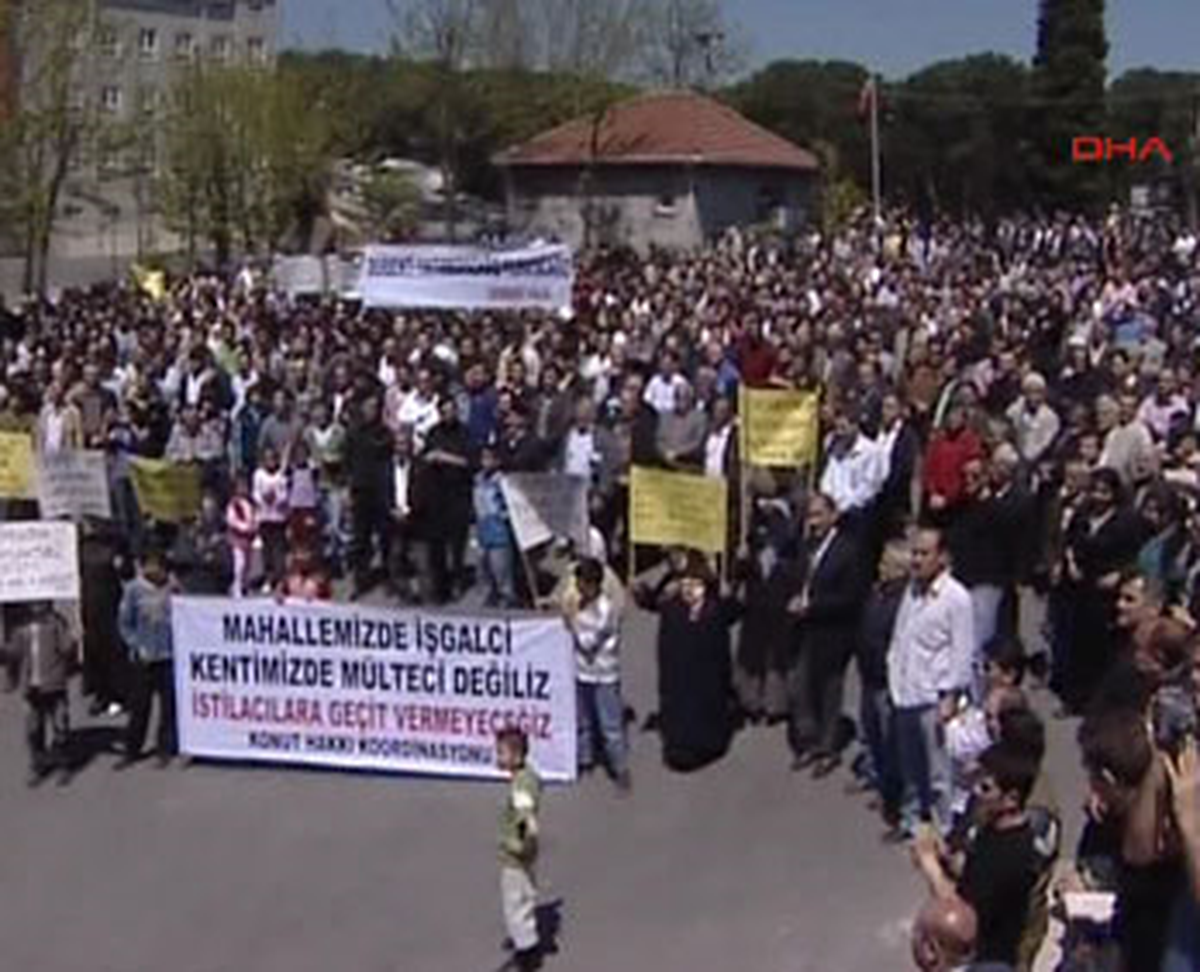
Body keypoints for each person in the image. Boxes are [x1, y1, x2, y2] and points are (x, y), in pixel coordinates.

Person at [912, 741, 1044, 969]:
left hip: (986, 960)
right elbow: (973, 877)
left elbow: (963, 919)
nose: (976, 792)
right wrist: (946, 858)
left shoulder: (1012, 854)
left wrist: (930, 866)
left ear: (1011, 799)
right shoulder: (993, 830)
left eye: (986, 788)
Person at [888, 527, 975, 835]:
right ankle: (913, 821)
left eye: (924, 553)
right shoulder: (911, 591)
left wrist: (950, 695)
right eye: (914, 552)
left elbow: (963, 651)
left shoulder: (956, 599)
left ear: (942, 557)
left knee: (939, 773)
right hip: (905, 693)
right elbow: (901, 637)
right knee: (911, 769)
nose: (917, 560)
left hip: (933, 697)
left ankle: (944, 828)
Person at [788, 492, 873, 777]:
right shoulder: (806, 545)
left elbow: (851, 596)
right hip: (803, 630)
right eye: (810, 515)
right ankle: (808, 742)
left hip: (833, 632)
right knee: (799, 687)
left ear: (833, 516)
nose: (813, 522)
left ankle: (828, 747)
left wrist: (812, 606)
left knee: (828, 690)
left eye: (818, 515)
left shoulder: (848, 550)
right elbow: (796, 576)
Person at [637, 552, 741, 772]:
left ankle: (707, 746)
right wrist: (641, 593)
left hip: (706, 676)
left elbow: (735, 611)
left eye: (695, 584)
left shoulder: (715, 608)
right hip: (678, 674)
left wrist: (728, 589)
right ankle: (678, 748)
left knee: (705, 709)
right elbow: (652, 604)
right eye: (684, 583)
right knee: (679, 711)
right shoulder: (673, 607)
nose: (689, 588)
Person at [563, 558, 630, 792]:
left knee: (610, 725)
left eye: (581, 583)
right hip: (582, 672)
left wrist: (571, 622)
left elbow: (588, 643)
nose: (578, 588)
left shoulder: (606, 610)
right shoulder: (580, 604)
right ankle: (585, 760)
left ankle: (620, 769)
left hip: (604, 675)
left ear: (592, 584)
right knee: (583, 721)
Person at [6, 602, 77, 787]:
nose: (37, 607)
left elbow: (66, 647)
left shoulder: (56, 623)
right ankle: (38, 766)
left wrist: (72, 638)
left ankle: (63, 764)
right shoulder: (21, 627)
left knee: (60, 726)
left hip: (54, 684)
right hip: (31, 687)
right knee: (33, 729)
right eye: (33, 603)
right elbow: (14, 652)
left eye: (41, 603)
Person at [116, 550, 176, 768]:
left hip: (168, 655)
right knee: (140, 707)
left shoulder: (173, 588)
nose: (155, 571)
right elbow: (125, 623)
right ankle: (132, 749)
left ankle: (165, 748)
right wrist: (135, 645)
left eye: (158, 567)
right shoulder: (133, 590)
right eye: (150, 566)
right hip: (144, 657)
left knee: (168, 707)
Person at [496, 726, 543, 972]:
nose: (498, 758)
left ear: (516, 756)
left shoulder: (521, 787)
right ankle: (527, 941)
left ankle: (527, 954)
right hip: (527, 854)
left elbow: (525, 818)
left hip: (516, 857)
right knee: (525, 895)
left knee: (515, 904)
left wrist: (517, 845)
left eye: (501, 753)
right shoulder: (528, 777)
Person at [474, 443, 517, 608]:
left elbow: (510, 505)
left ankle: (507, 597)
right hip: (482, 529)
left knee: (501, 569)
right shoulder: (478, 479)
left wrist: (502, 517)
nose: (485, 462)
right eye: (483, 458)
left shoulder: (502, 481)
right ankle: (489, 596)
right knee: (484, 569)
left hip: (498, 530)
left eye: (489, 458)